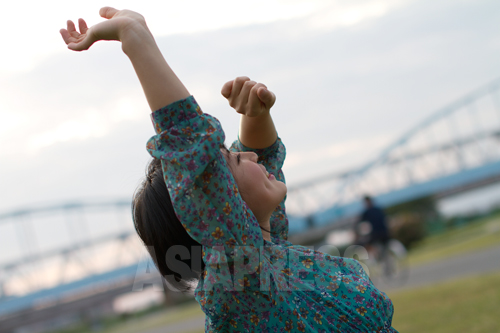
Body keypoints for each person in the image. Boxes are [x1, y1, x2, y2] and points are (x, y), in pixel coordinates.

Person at [60, 8, 398, 332]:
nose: (249, 156)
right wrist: (135, 36)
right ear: (213, 208)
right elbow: (193, 150)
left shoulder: (271, 261)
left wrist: (256, 114)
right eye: (235, 160)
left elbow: (261, 161)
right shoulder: (242, 284)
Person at [356, 196, 390, 260]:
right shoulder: (379, 209)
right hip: (386, 233)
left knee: (366, 244)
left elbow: (359, 223)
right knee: (384, 247)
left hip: (376, 234)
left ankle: (377, 256)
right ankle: (382, 256)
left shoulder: (367, 212)